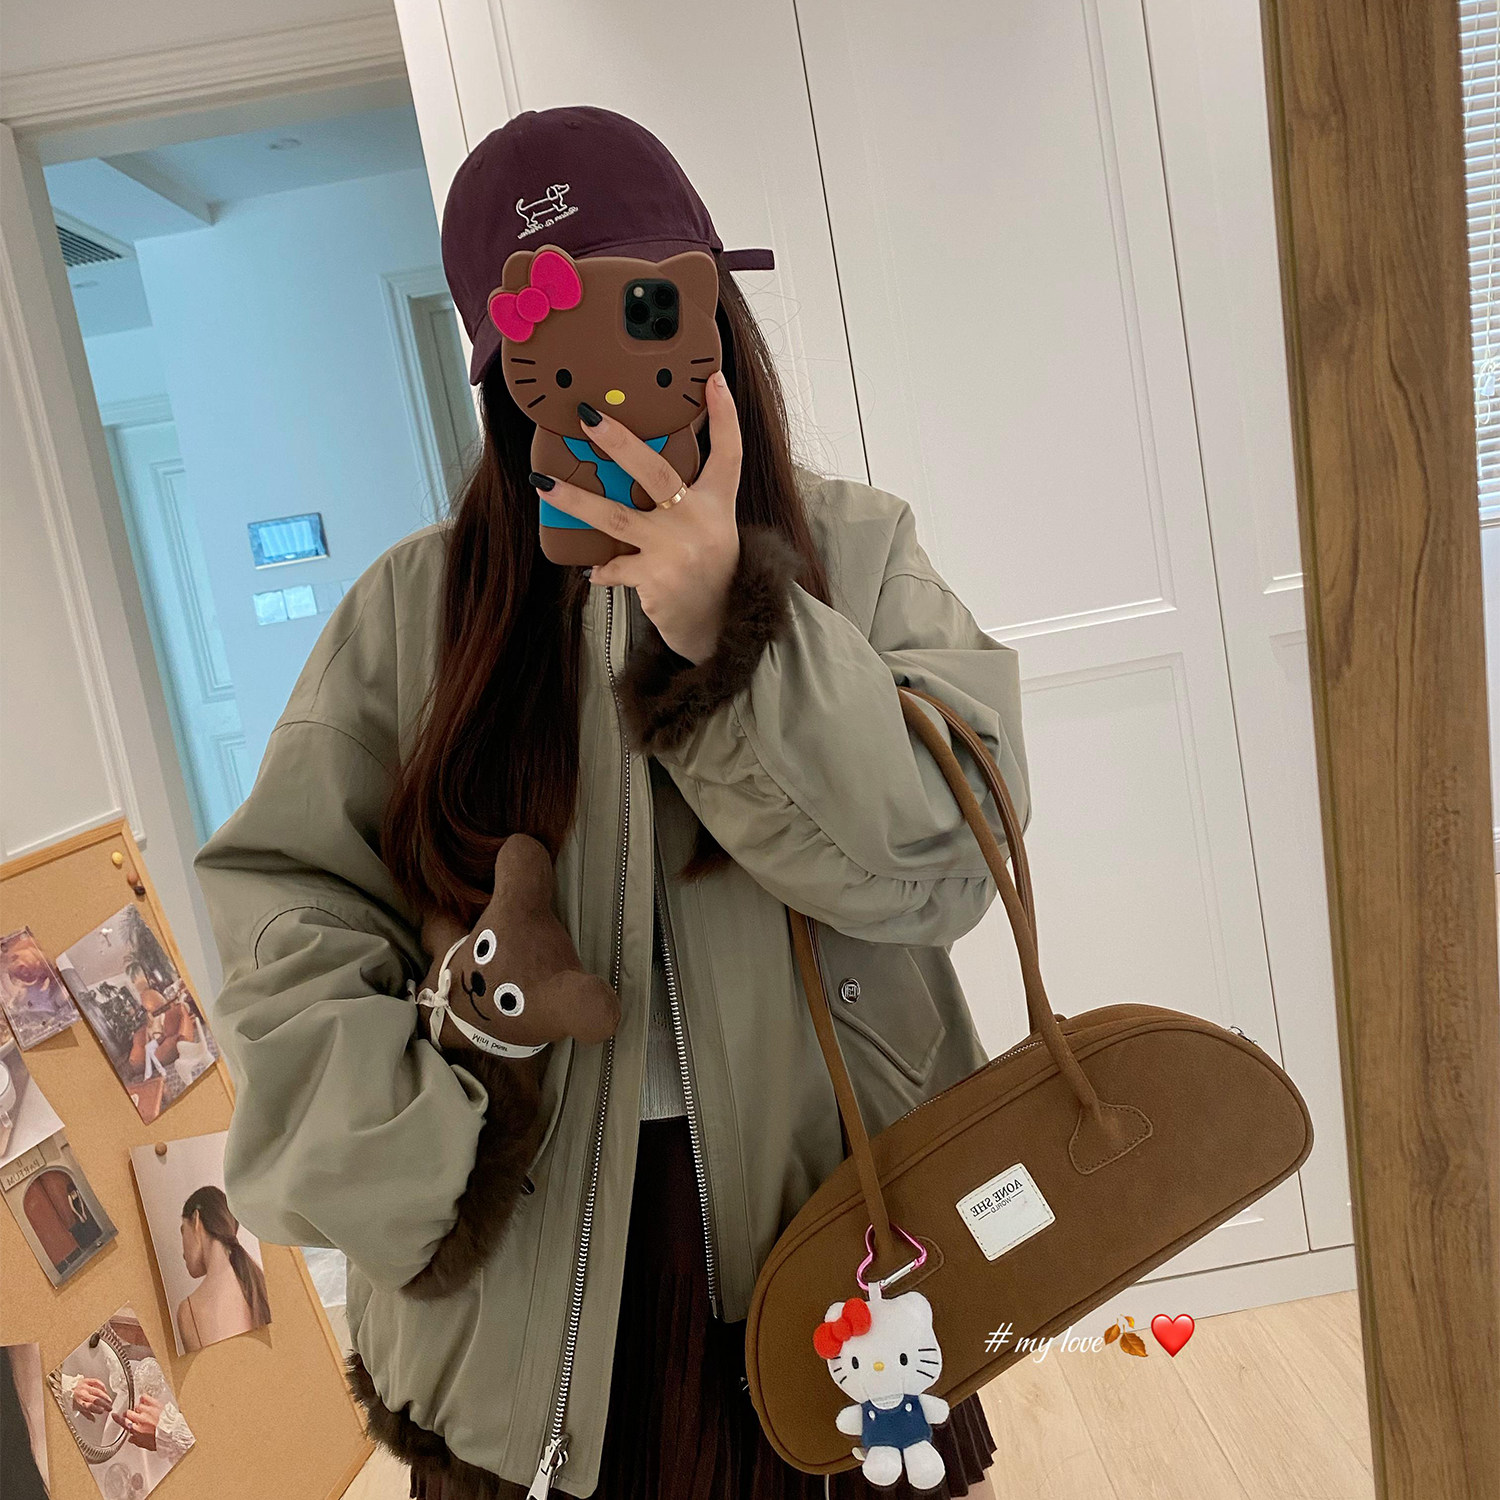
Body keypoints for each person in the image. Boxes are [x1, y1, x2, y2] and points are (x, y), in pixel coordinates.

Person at [194, 106, 1029, 1499]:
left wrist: (740, 631)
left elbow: (952, 855)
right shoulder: (413, 614)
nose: (611, 396)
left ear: (716, 322)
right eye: (558, 360)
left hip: (838, 1239)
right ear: (502, 382)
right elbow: (289, 917)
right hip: (522, 1284)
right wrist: (421, 1162)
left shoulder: (857, 551)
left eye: (648, 318)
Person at [175, 1185, 273, 1352]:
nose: (183, 1253)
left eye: (183, 1231)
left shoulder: (189, 1311)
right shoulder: (263, 1286)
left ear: (196, 1221)